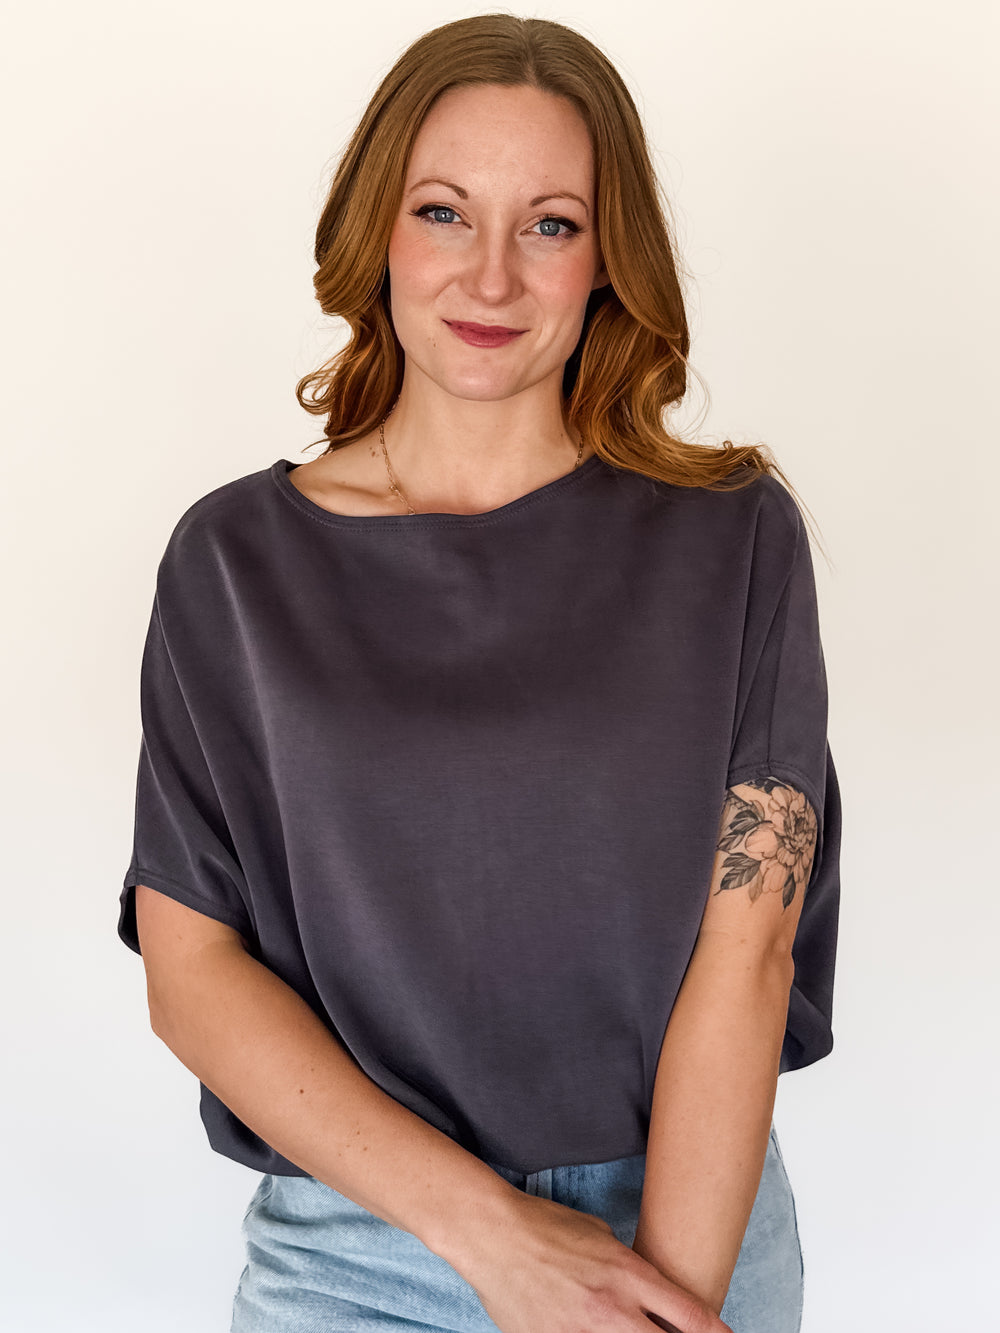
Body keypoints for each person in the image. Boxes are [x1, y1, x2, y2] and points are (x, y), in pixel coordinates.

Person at [119, 14, 841, 1333]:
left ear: (607, 258)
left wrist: (656, 1302)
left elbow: (748, 948)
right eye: (445, 212)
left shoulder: (730, 537)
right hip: (356, 1254)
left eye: (551, 224)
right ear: (379, 230)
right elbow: (193, 967)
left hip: (689, 1226)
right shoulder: (235, 563)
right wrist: (497, 1241)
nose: (492, 276)